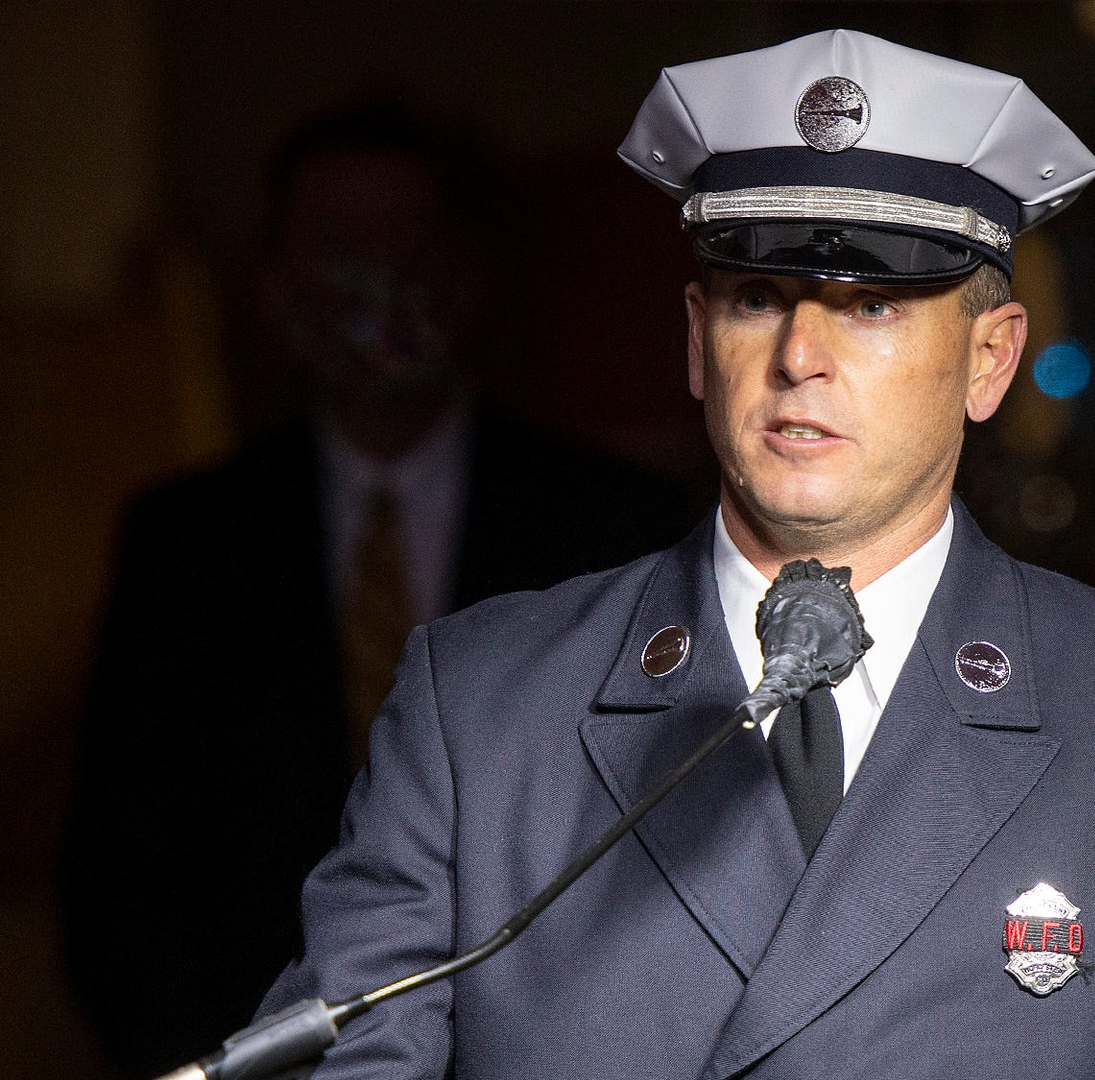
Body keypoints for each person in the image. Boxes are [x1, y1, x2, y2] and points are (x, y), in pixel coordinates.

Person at [251, 30, 1095, 1080]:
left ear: (990, 361)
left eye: (871, 305)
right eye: (757, 297)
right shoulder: (483, 708)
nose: (800, 355)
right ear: (698, 342)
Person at [61, 102, 693, 1076]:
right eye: (335, 246)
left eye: (404, 244)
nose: (375, 284)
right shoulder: (185, 542)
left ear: (466, 272)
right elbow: (118, 883)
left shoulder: (614, 526)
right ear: (276, 286)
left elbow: (665, 853)